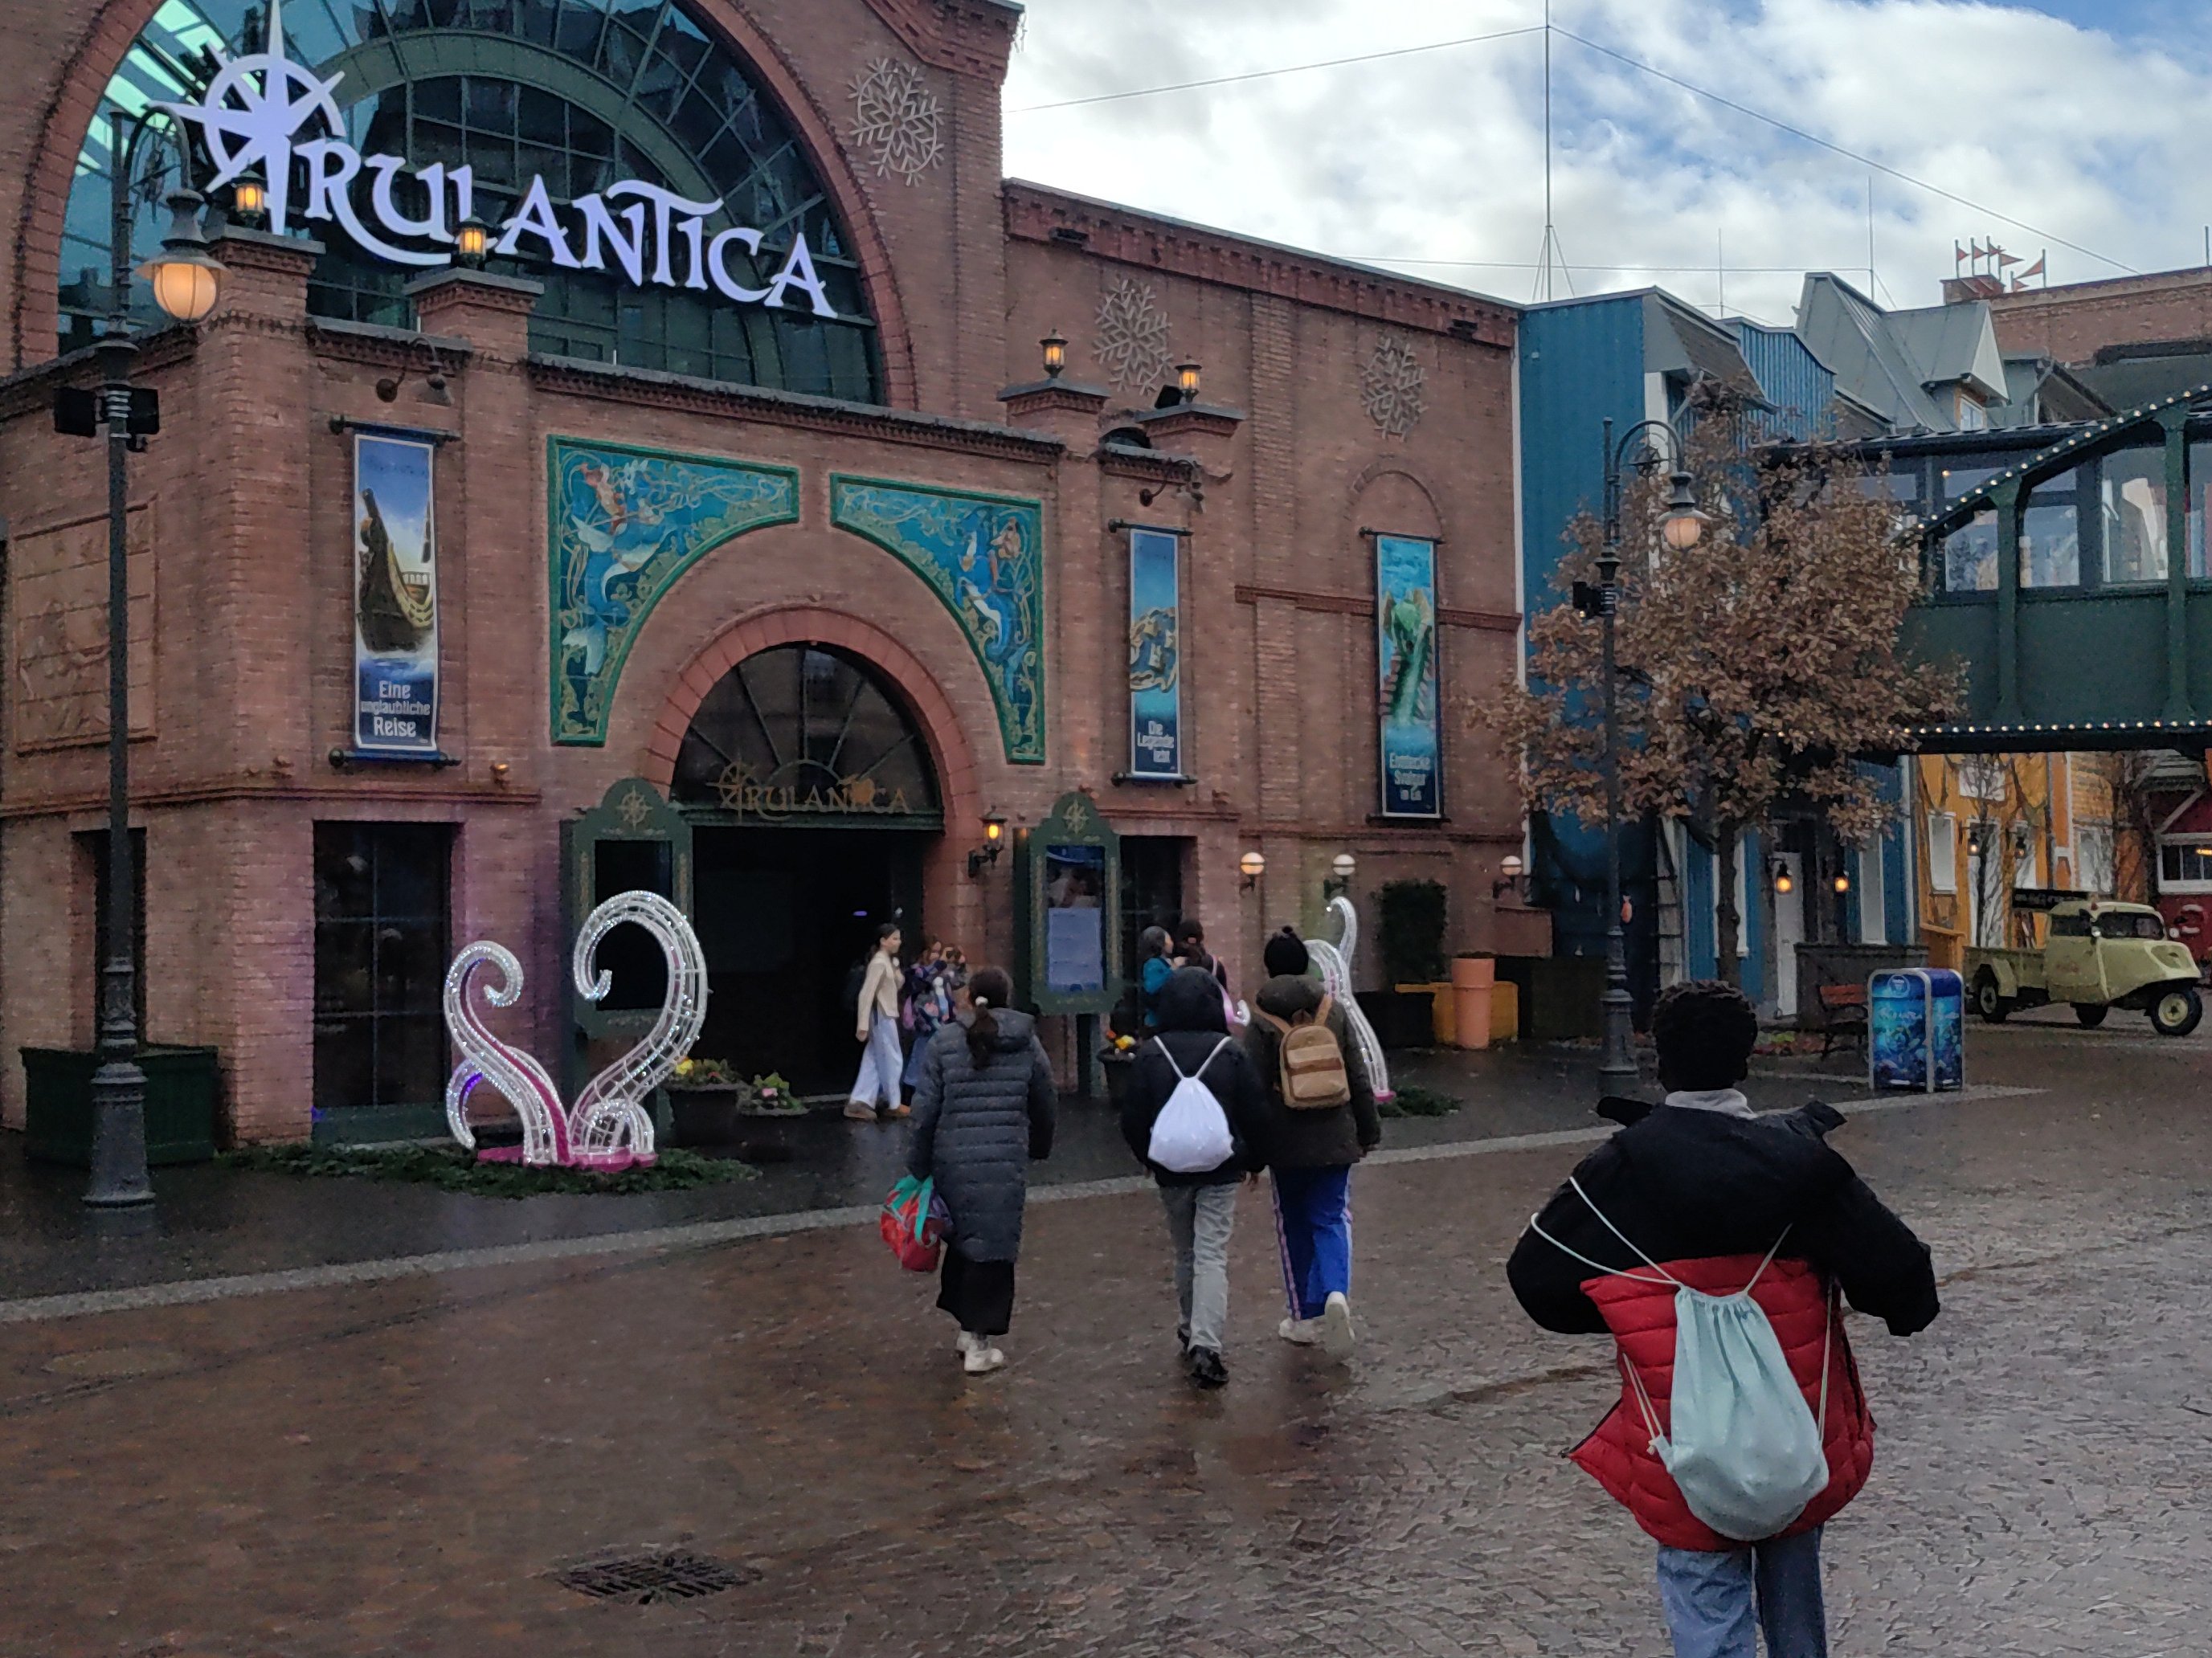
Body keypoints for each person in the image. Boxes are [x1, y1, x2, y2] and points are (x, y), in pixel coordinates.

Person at [1506, 980, 1940, 1658]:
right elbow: (1903, 1278)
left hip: (1684, 1438)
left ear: (1660, 1063)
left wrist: (1638, 1312)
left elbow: (1534, 1279)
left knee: (1703, 1599)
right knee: (1795, 1583)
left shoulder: (1614, 1173)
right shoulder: (1804, 1165)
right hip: (1796, 1428)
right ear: (1745, 1061)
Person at [1119, 966, 1266, 1389]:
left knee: (1185, 1251)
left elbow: (1131, 1117)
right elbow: (1255, 1113)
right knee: (1212, 1253)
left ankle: (1188, 1326)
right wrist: (1253, 1161)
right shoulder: (1231, 1051)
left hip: (1170, 1168)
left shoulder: (1151, 1053)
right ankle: (1208, 1343)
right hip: (1222, 1167)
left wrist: (1146, 1156)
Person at [906, 966, 1057, 1375]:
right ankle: (978, 1341)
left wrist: (917, 1166)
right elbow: (1044, 1100)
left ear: (970, 997)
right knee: (993, 1246)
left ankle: (964, 1326)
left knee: (963, 1238)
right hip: (1005, 1160)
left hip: (951, 1160)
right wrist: (1040, 1147)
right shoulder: (1027, 1044)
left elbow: (924, 1112)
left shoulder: (945, 1042)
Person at [1244, 925, 1380, 1360]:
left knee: (1293, 1224)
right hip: (1336, 1132)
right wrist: (1368, 1130)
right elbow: (1358, 1075)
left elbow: (1252, 1090)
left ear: (1269, 968)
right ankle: (1336, 1293)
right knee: (1330, 1217)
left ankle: (1303, 1316)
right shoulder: (1331, 1009)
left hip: (1285, 1141)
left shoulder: (1263, 1017)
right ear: (1307, 964)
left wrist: (1253, 1151)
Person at [844, 924, 908, 1123]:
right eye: (894, 939)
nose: (898, 942)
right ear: (883, 941)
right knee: (892, 1058)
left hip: (885, 1014)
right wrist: (862, 1024)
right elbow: (866, 993)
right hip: (881, 1015)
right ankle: (893, 1103)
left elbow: (897, 985)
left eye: (898, 938)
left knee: (873, 1059)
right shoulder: (879, 963)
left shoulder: (886, 962)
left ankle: (860, 1100)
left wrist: (896, 969)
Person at [900, 937, 956, 1102]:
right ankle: (908, 1094)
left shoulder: (944, 972)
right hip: (925, 1020)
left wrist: (959, 962)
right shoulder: (917, 971)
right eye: (934, 952)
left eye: (940, 952)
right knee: (920, 1054)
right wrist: (939, 964)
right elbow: (921, 982)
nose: (937, 956)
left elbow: (958, 982)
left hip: (943, 1019)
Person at [1137, 925, 1174, 1030]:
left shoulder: (1164, 963)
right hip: (1156, 1024)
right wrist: (1174, 971)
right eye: (1169, 939)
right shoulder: (1153, 964)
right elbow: (1152, 988)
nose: (1171, 943)